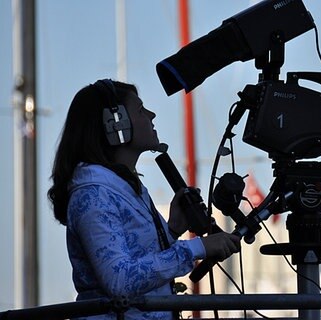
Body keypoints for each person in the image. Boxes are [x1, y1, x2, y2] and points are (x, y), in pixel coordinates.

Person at [47, 79, 241, 320]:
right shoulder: (93, 195)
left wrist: (171, 231)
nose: (152, 114)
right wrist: (197, 248)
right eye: (140, 110)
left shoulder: (124, 187)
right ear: (115, 124)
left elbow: (136, 258)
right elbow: (119, 280)